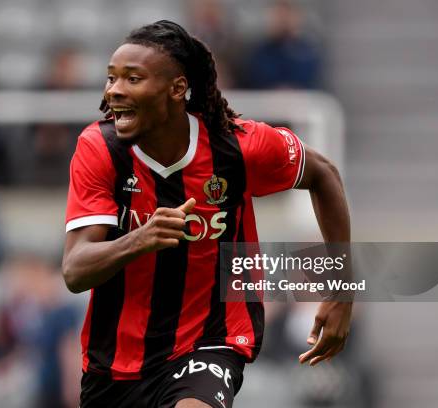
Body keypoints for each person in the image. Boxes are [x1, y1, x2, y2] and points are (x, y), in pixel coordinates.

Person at [62, 20, 351, 408]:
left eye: (132, 79)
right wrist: (139, 239)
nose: (114, 90)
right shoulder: (100, 150)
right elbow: (75, 270)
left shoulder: (238, 147)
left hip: (212, 340)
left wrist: (340, 291)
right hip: (114, 362)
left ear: (177, 89)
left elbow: (324, 174)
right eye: (112, 78)